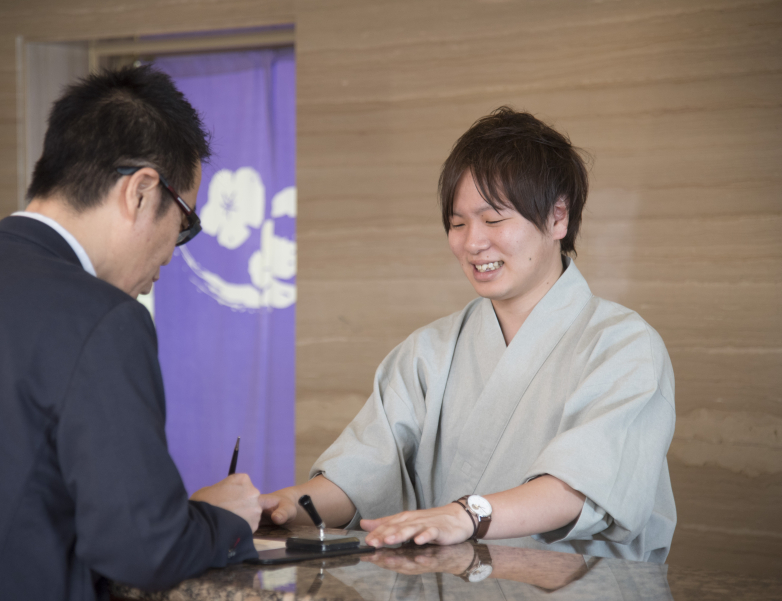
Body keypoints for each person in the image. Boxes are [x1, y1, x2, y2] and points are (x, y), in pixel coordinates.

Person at [0, 66, 262, 601]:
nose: (171, 258)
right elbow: (144, 548)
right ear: (141, 191)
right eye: (184, 224)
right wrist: (222, 518)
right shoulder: (103, 319)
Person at [261, 107, 676, 563]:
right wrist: (283, 507)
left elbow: (585, 484)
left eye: (494, 220)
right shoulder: (427, 351)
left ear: (559, 217)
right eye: (458, 223)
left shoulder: (624, 346)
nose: (472, 242)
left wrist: (466, 514)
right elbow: (362, 473)